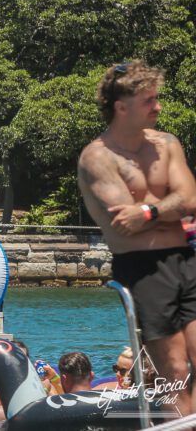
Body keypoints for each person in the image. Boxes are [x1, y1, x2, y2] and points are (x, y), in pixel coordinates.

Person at [78, 61, 196, 415]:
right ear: (121, 106)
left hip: (187, 260)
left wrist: (148, 212)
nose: (158, 107)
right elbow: (122, 224)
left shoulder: (167, 144)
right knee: (174, 371)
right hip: (142, 269)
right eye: (149, 101)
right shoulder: (96, 157)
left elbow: (191, 200)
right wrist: (169, 209)